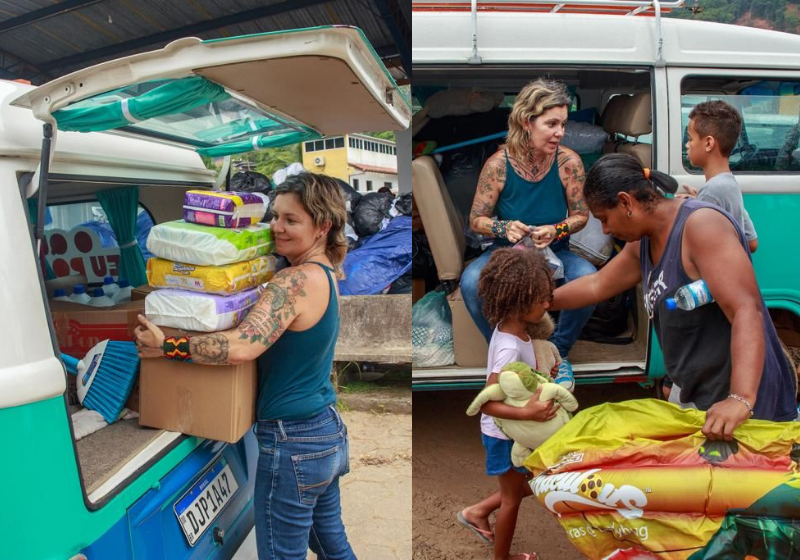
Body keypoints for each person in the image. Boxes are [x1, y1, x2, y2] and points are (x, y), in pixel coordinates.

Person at [134, 172, 357, 560]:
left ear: (323, 226)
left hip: (293, 442)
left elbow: (241, 347)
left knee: (280, 555)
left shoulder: (292, 283)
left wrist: (167, 345)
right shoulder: (328, 274)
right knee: (333, 549)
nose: (276, 227)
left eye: (291, 220)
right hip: (326, 432)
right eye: (275, 216)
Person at [551, 153, 796, 441]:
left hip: (745, 403)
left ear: (626, 202)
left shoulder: (700, 226)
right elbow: (596, 285)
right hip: (698, 393)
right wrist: (544, 301)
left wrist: (740, 399)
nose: (606, 230)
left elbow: (746, 310)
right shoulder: (643, 242)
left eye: (604, 219)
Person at [461, 78, 596, 391]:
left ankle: (556, 352)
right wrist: (503, 227)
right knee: (471, 282)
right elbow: (475, 220)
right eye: (551, 124)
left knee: (588, 280)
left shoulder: (569, 162)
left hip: (555, 252)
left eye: (562, 124)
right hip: (507, 254)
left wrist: (556, 229)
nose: (559, 132)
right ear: (527, 121)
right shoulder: (498, 164)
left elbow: (581, 215)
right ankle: (508, 349)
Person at [458, 248, 561, 560]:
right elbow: (487, 402)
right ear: (517, 300)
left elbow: (517, 381)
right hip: (502, 433)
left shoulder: (516, 328)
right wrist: (527, 411)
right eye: (541, 298)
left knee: (534, 482)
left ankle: (476, 512)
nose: (548, 304)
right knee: (513, 498)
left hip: (514, 429)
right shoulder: (508, 347)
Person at [679, 100, 759, 253]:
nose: (687, 145)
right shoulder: (729, 184)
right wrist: (699, 202)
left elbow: (694, 248)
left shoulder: (711, 192)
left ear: (709, 143)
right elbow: (751, 242)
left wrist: (693, 207)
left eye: (690, 139)